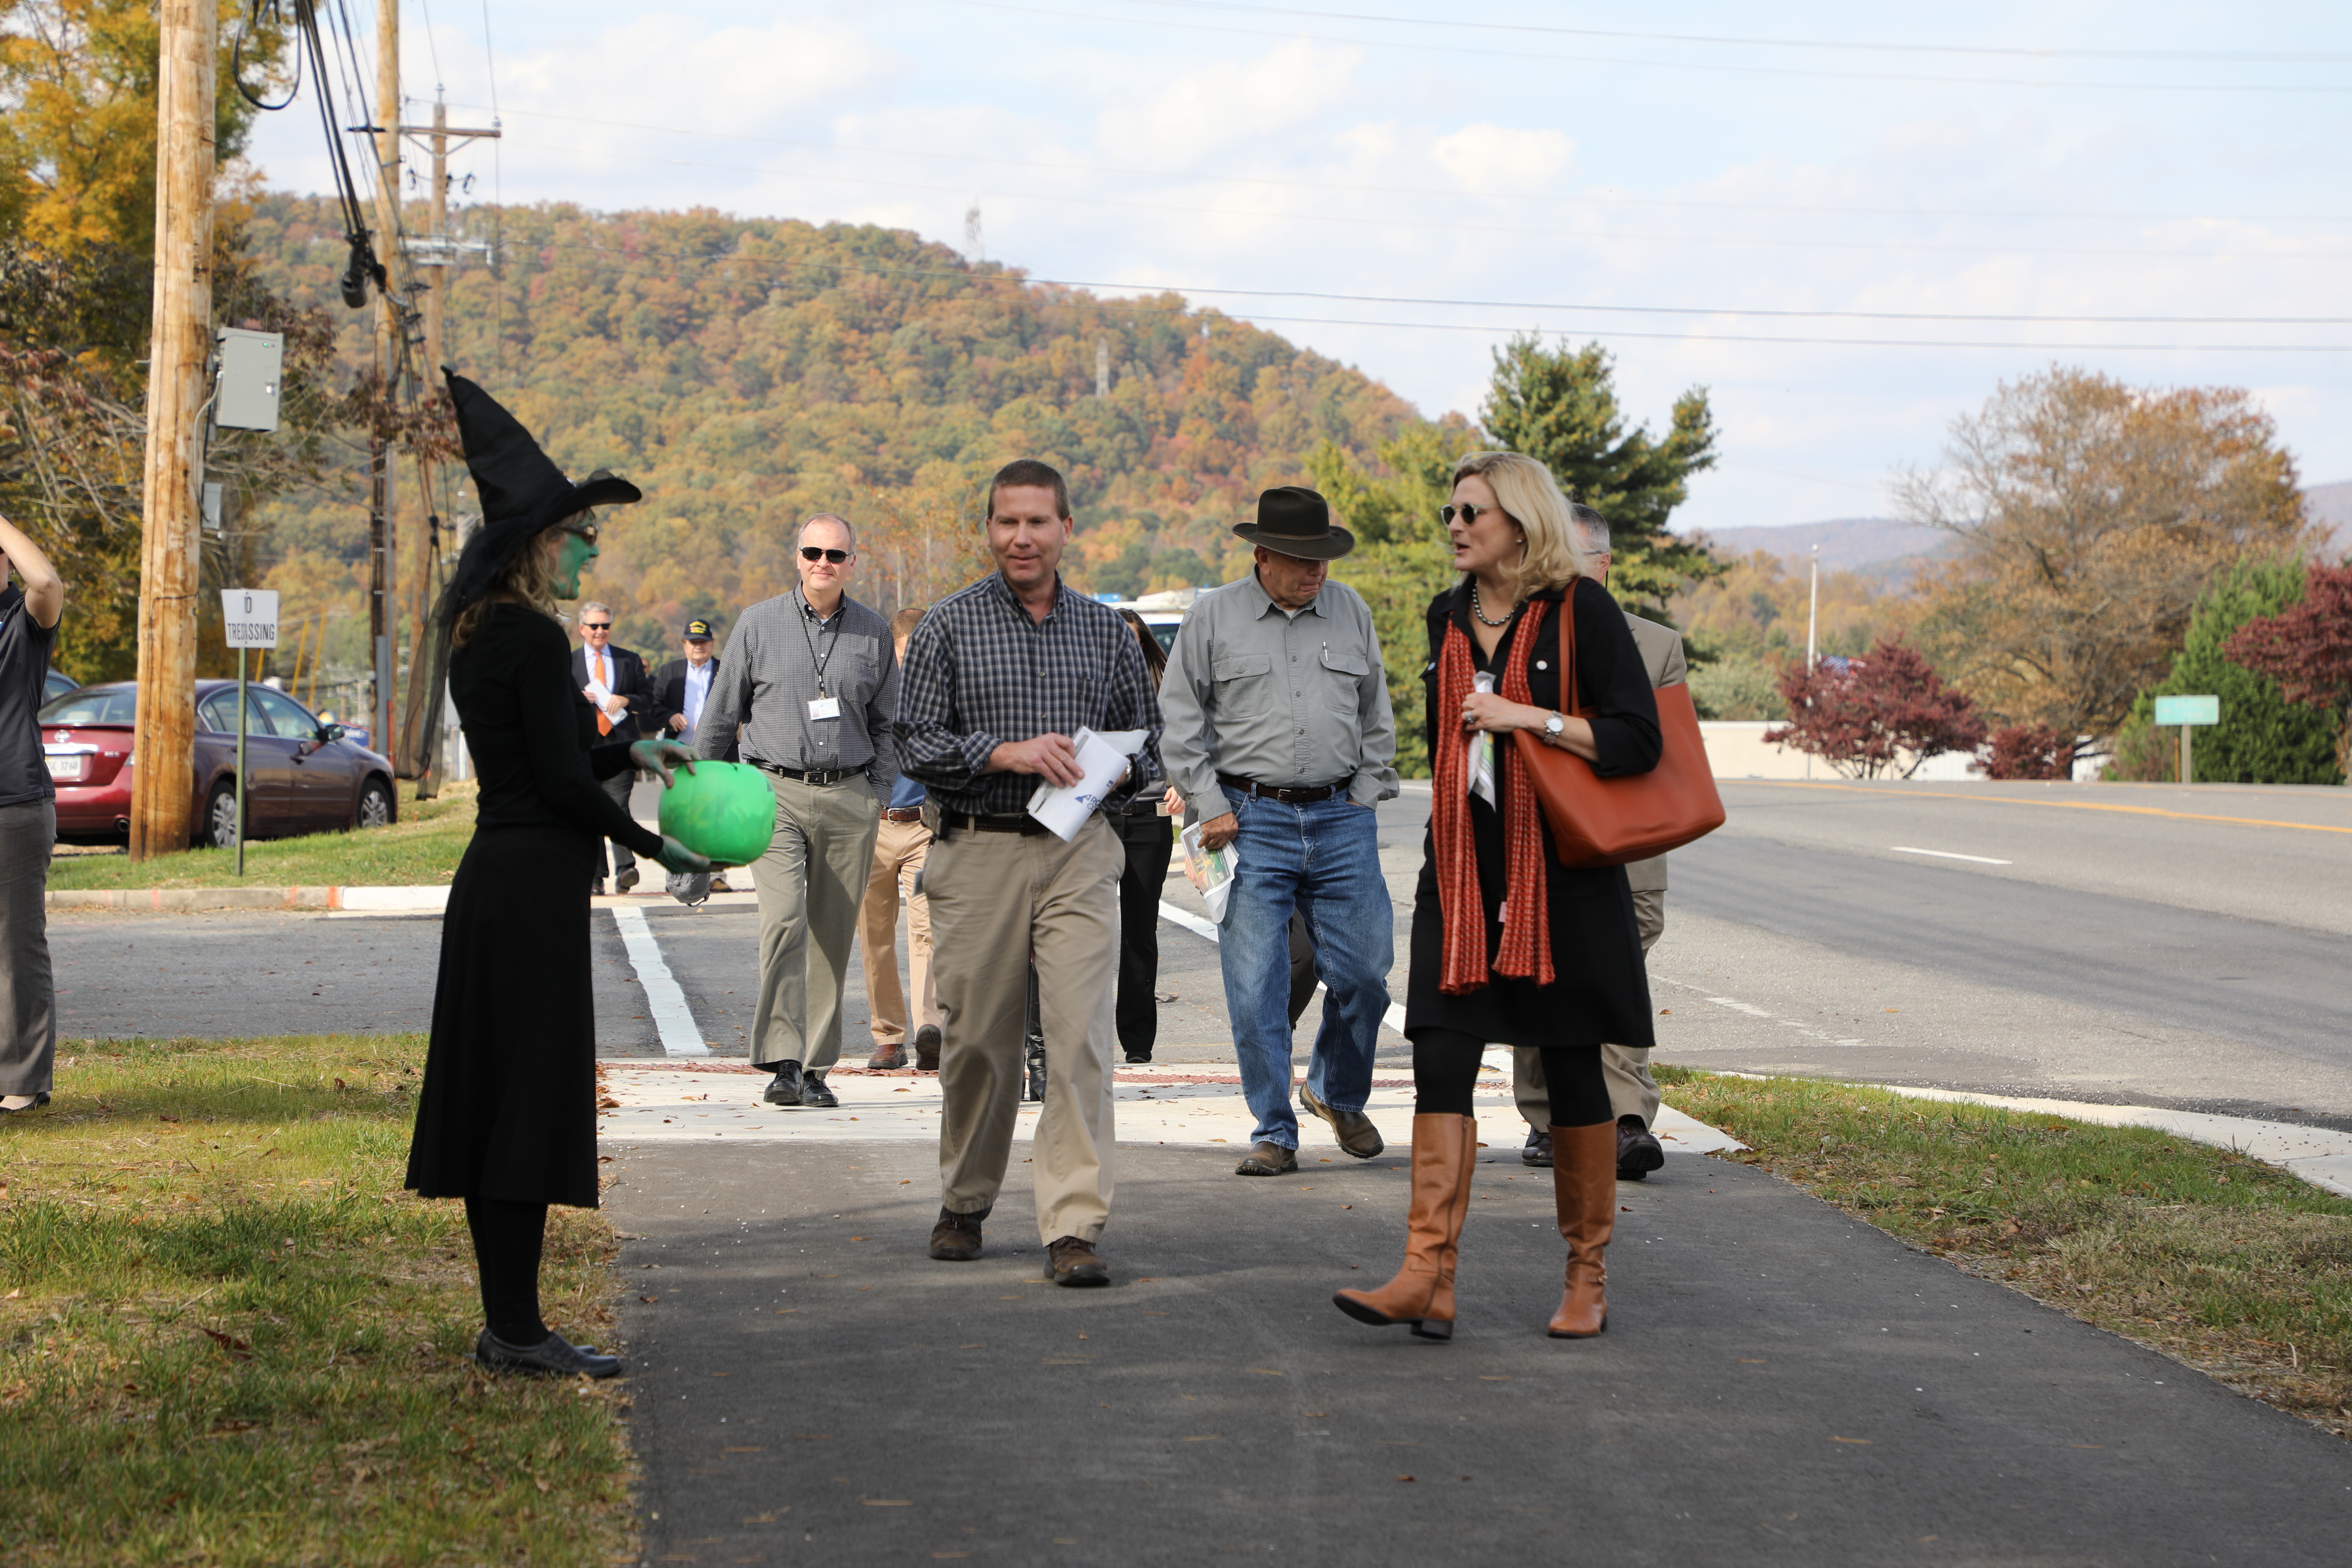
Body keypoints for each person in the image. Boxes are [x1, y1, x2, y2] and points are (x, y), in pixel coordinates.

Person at [406, 371, 709, 1378]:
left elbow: (551, 770)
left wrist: (634, 754)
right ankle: (518, 1333)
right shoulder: (534, 639)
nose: (590, 548)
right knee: (524, 1106)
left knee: (501, 1102)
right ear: (539, 540)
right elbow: (564, 792)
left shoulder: (478, 634)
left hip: (501, 877)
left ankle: (513, 1326)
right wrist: (666, 852)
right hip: (530, 889)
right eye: (580, 534)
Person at [1333, 450, 1659, 1343]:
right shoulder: (1446, 617)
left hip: (1561, 879)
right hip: (1464, 880)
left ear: (1519, 522)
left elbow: (1639, 740)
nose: (1455, 525)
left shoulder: (1579, 612)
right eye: (1451, 512)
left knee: (1571, 1066)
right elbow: (1448, 751)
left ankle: (1586, 1277)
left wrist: (1532, 719)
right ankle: (1426, 1276)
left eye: (1472, 511)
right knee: (1439, 1057)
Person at [896, 459, 1161, 1287]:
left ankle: (1073, 1226)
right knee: (979, 1039)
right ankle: (965, 1201)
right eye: (1007, 522)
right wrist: (1002, 752)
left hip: (1080, 852)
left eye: (1038, 522)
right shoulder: (947, 627)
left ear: (1065, 530)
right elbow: (912, 743)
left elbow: (1147, 742)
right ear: (990, 530)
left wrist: (1119, 768)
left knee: (1081, 1035)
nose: (1022, 537)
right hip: (978, 848)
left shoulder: (1104, 631)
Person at [1158, 486, 1399, 1177]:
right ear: (1262, 555)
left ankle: (1332, 1089)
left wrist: (1364, 793)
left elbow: (1375, 710)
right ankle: (1273, 1128)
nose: (1315, 571)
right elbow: (1181, 719)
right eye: (1300, 559)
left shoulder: (1349, 610)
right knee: (1258, 981)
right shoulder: (1214, 617)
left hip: (1340, 816)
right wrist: (1209, 801)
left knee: (1365, 973)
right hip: (1248, 817)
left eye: (1322, 558)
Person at [695, 514, 896, 1111]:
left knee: (832, 934)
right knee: (784, 921)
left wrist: (876, 794)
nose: (823, 562)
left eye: (836, 554)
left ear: (852, 562)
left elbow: (891, 724)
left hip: (848, 797)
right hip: (772, 791)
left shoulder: (873, 632)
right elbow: (720, 719)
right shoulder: (758, 624)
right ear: (798, 557)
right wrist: (703, 806)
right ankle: (782, 1060)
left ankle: (815, 1067)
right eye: (813, 551)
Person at [1516, 503, 1683, 1180]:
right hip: (1540, 834)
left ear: (1603, 566)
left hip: (1629, 835)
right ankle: (1550, 1118)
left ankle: (1625, 1118)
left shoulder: (1657, 645)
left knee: (1619, 969)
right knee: (1538, 964)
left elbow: (1667, 752)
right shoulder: (1515, 634)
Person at [856, 606, 940, 1072]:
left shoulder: (946, 693)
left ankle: (932, 1031)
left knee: (928, 931)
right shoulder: (871, 692)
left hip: (924, 828)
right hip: (874, 826)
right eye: (911, 653)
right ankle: (888, 1036)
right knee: (875, 935)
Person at [0, 514, 63, 1117]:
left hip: (13, 806)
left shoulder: (21, 622)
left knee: (16, 947)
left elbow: (44, 580)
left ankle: (22, 1080)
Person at [1109, 609, 1175, 1066]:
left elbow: (1193, 744)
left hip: (1150, 822)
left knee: (1139, 932)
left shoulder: (1168, 689)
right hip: (1098, 823)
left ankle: (1137, 1041)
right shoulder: (1086, 689)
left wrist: (1183, 785)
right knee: (1080, 934)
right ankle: (1077, 1037)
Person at [570, 601, 656, 894]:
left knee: (617, 803)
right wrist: (579, 699)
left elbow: (648, 698)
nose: (600, 632)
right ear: (582, 629)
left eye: (605, 626)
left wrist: (626, 700)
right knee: (587, 807)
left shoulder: (628, 661)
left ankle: (626, 869)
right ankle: (594, 876)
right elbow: (555, 701)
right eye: (594, 626)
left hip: (620, 744)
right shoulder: (568, 663)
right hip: (583, 745)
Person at [653, 618, 735, 890]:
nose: (698, 647)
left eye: (703, 642)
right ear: (684, 645)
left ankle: (716, 875)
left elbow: (743, 705)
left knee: (716, 814)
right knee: (680, 816)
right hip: (679, 753)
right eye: (693, 642)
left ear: (712, 644)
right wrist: (671, 716)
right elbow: (654, 707)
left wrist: (719, 722)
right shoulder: (669, 672)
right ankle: (678, 874)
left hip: (718, 754)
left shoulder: (727, 671)